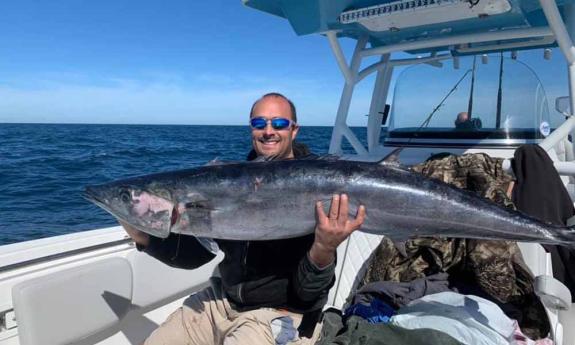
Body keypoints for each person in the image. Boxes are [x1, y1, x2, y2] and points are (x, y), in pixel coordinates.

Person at [121, 92, 367, 345]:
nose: (268, 131)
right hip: (220, 302)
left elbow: (308, 296)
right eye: (259, 123)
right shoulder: (226, 181)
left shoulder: (320, 184)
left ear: (294, 130)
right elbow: (196, 256)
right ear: (251, 128)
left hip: (280, 316)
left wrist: (324, 247)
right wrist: (143, 236)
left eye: (279, 123)